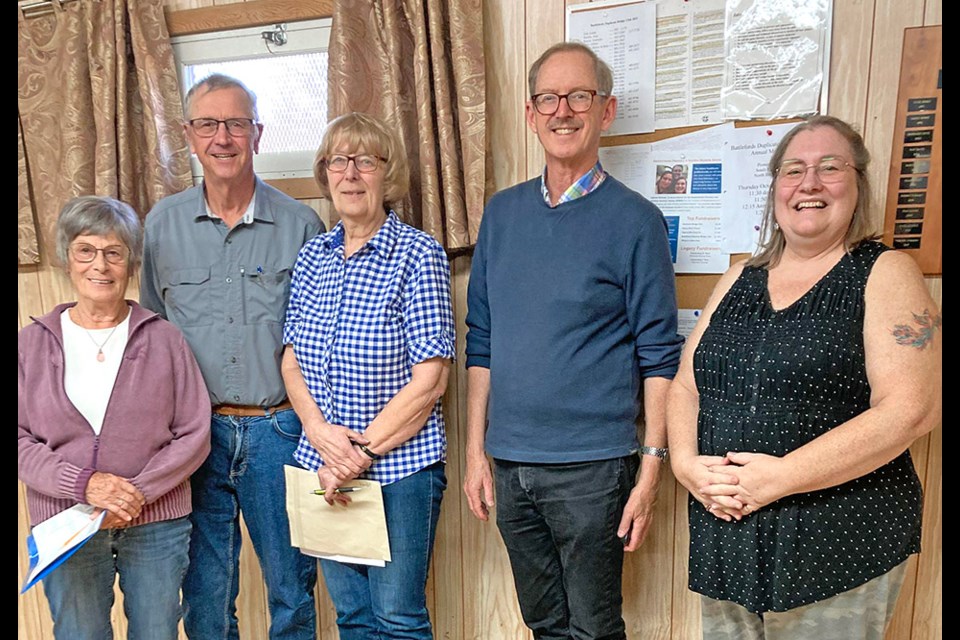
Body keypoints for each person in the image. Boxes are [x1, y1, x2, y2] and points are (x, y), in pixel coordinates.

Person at [668, 115, 941, 640]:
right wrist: (685, 465)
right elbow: (686, 386)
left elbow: (913, 409)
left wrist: (777, 478)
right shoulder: (739, 278)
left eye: (830, 167)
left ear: (858, 184)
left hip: (837, 541)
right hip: (728, 534)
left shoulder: (883, 272)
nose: (809, 183)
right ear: (775, 188)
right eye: (793, 170)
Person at [464, 42, 683, 639]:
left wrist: (651, 467)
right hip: (509, 465)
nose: (563, 110)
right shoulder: (502, 215)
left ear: (605, 111)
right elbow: (480, 342)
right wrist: (475, 451)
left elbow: (660, 354)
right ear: (531, 113)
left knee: (593, 629)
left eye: (579, 96)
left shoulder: (637, 222)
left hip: (593, 469)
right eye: (548, 98)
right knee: (543, 625)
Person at [140, 74, 323, 639]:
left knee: (292, 589)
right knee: (205, 594)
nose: (223, 138)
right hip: (194, 442)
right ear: (189, 136)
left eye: (236, 124)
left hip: (281, 432)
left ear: (257, 134)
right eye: (208, 124)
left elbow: (319, 345)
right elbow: (151, 341)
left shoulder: (301, 225)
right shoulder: (160, 226)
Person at [281, 112, 455, 640]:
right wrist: (317, 435)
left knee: (397, 619)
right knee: (353, 618)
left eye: (365, 161)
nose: (350, 173)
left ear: (388, 173)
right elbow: (291, 359)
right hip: (323, 468)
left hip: (399, 470)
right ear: (325, 172)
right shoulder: (313, 256)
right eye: (338, 160)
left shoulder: (417, 253)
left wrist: (359, 456)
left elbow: (431, 378)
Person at [18, 196, 211, 640]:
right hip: (66, 522)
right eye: (86, 250)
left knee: (157, 633)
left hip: (155, 523)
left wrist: (134, 494)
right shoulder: (31, 344)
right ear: (68, 258)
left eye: (114, 252)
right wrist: (85, 485)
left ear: (130, 262)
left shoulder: (165, 339)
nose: (99, 265)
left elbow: (194, 434)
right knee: (79, 633)